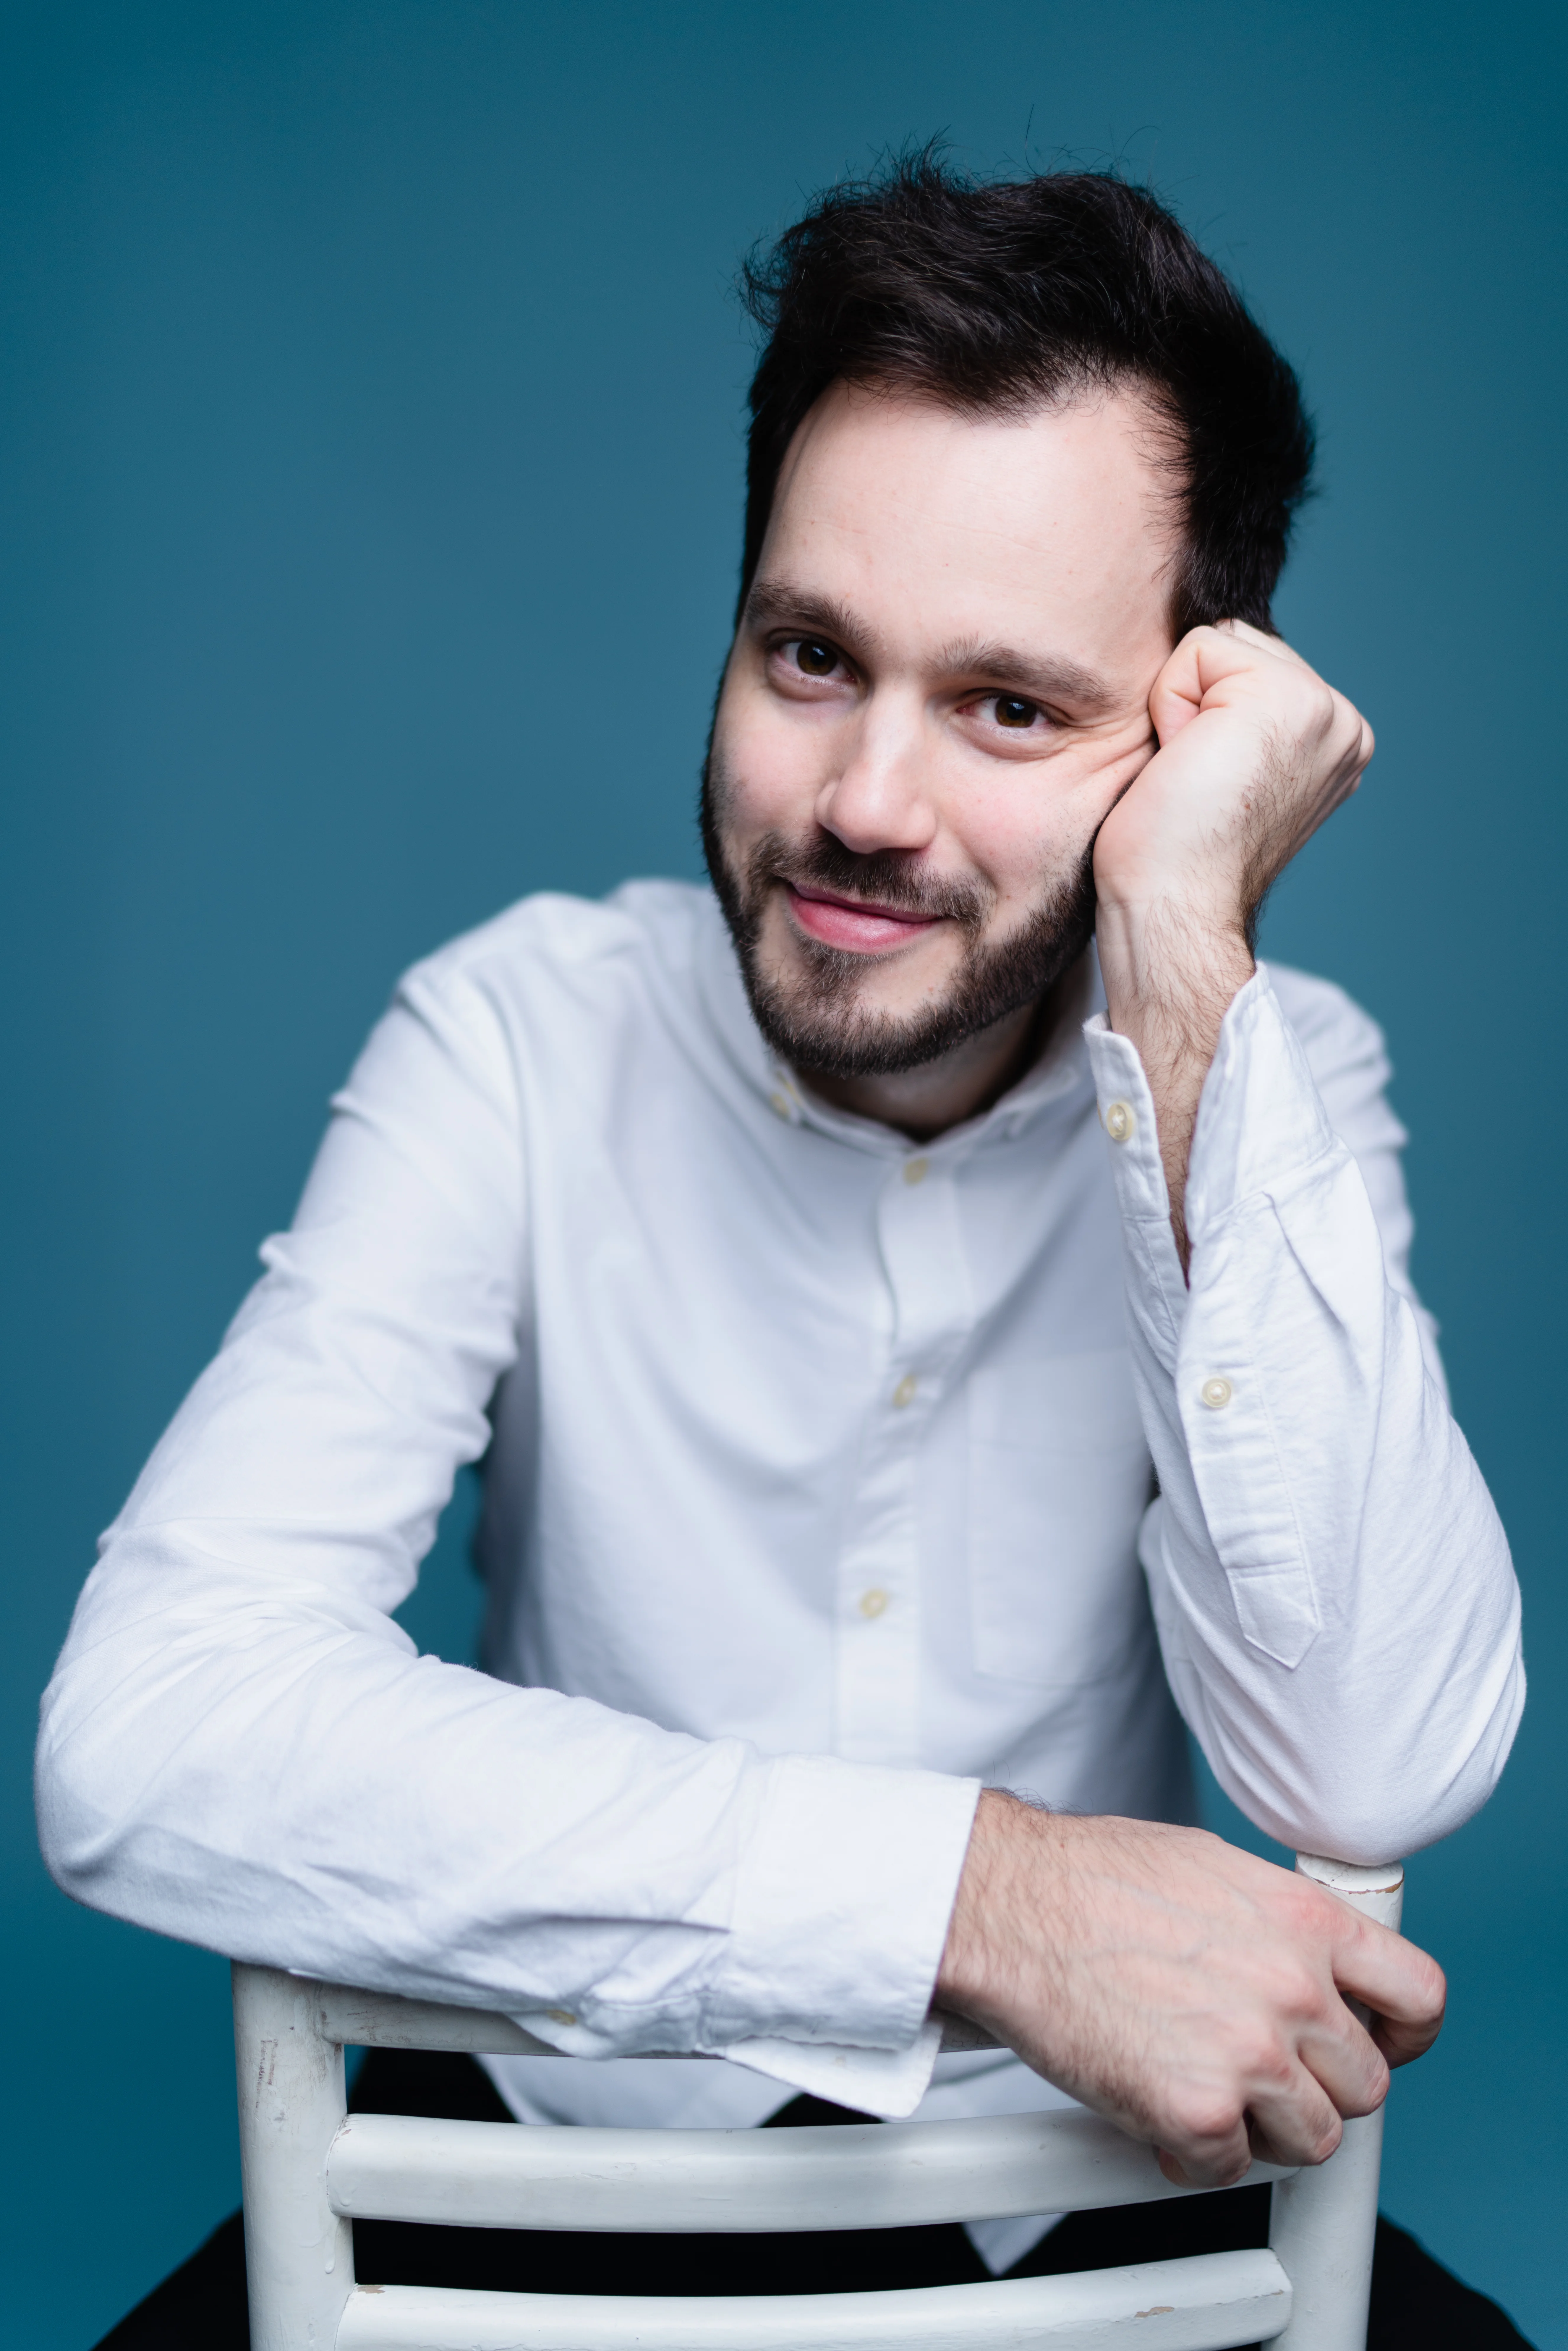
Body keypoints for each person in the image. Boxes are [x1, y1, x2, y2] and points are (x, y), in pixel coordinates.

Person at [38, 156, 1529, 2347]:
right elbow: (150, 1731)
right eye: (809, 655)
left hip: (1092, 2183)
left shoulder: (1277, 1071)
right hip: (546, 2150)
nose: (864, 802)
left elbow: (1377, 1765)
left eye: (1011, 707)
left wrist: (1187, 954)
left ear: (1186, 736)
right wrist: (976, 1898)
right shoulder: (516, 1033)